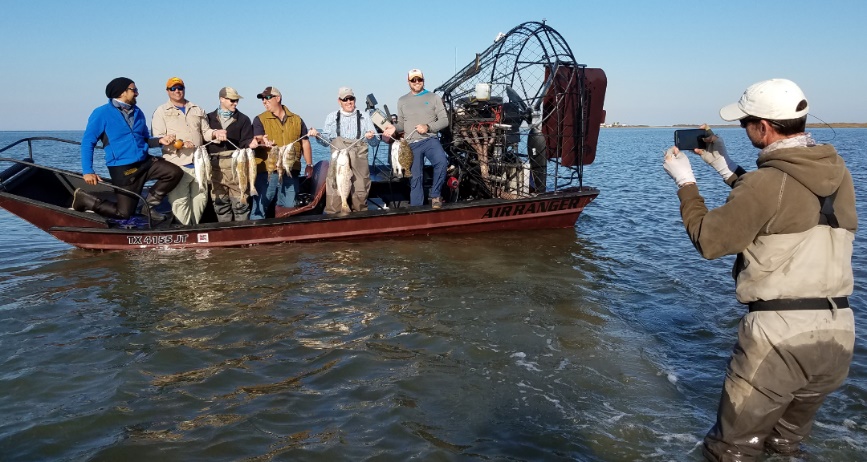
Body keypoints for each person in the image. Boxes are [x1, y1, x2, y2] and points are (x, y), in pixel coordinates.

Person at [662, 78, 857, 461]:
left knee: (731, 451)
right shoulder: (838, 175)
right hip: (839, 334)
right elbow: (785, 204)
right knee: (784, 446)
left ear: (763, 127)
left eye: (745, 122)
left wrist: (685, 182)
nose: (743, 128)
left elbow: (710, 240)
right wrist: (725, 166)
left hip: (780, 338)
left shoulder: (767, 184)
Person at [76, 77, 182, 222]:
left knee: (174, 172)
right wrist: (88, 171)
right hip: (123, 168)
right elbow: (88, 142)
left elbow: (144, 139)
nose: (137, 93)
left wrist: (159, 141)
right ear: (121, 92)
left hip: (145, 162)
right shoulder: (101, 113)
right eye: (134, 90)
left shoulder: (138, 112)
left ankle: (147, 206)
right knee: (124, 213)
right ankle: (85, 199)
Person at [151, 77, 225, 225]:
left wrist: (216, 133)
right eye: (173, 88)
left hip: (200, 164)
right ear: (167, 91)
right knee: (180, 201)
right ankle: (185, 230)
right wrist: (180, 144)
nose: (177, 91)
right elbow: (159, 138)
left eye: (180, 88)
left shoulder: (197, 109)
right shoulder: (161, 111)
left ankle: (194, 228)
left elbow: (205, 132)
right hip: (177, 166)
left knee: (201, 199)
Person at [382, 69, 448, 209]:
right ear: (408, 82)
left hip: (430, 140)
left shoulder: (434, 97)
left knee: (442, 162)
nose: (417, 82)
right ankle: (416, 208)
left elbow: (444, 120)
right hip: (411, 144)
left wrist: (428, 127)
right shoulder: (402, 100)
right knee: (415, 177)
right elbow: (401, 124)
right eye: (413, 80)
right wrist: (393, 128)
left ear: (423, 80)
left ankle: (436, 195)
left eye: (419, 79)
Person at [308, 87, 378, 213]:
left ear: (355, 99)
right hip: (339, 162)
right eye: (345, 99)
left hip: (359, 159)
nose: (349, 102)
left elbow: (375, 143)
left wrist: (371, 137)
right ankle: (336, 215)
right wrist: (318, 135)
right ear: (339, 101)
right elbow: (325, 142)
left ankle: (360, 216)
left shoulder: (365, 117)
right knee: (335, 187)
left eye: (351, 98)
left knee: (360, 189)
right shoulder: (331, 117)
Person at [250, 86, 314, 220]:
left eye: (267, 98)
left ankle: (283, 231)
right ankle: (255, 230)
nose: (264, 101)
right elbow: (257, 138)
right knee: (261, 205)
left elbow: (305, 142)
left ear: (278, 98)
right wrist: (262, 140)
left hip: (291, 170)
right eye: (262, 99)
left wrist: (309, 164)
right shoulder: (259, 119)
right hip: (267, 171)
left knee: (289, 207)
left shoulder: (297, 119)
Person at [205, 86, 254, 221]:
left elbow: (246, 141)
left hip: (237, 169)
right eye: (232, 100)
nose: (235, 103)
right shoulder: (208, 118)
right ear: (222, 99)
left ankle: (242, 232)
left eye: (237, 100)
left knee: (241, 206)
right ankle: (225, 231)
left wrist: (251, 144)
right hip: (215, 169)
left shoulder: (244, 119)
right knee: (220, 206)